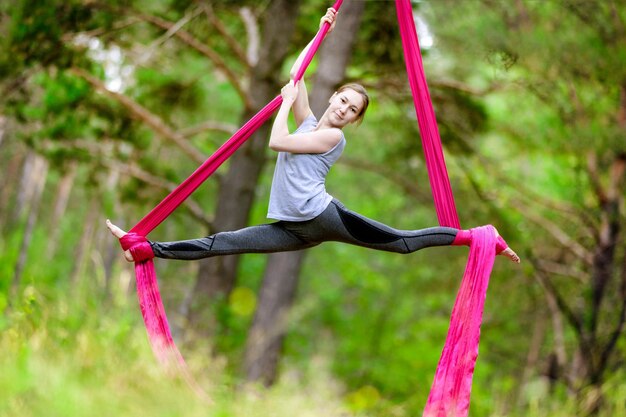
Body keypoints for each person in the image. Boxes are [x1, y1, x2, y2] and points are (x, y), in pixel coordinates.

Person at [107, 8, 520, 264]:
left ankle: (478, 237)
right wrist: (323, 30)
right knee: (225, 242)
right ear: (335, 96)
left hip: (322, 217)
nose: (343, 108)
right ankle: (146, 250)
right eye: (343, 100)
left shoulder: (331, 140)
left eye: (352, 110)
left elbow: (276, 141)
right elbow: (297, 74)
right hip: (291, 227)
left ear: (353, 120)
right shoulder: (311, 123)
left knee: (400, 242)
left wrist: (285, 104)